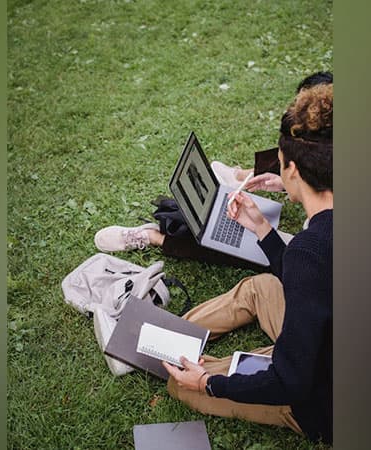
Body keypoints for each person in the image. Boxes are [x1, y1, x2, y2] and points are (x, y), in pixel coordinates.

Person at [162, 83, 333, 444]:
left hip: (324, 400)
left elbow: (292, 381)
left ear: (291, 171)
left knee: (182, 388)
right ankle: (165, 337)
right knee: (261, 287)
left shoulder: (311, 250)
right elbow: (314, 282)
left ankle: (177, 361)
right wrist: (260, 228)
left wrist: (208, 383)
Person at [94, 71, 332, 273]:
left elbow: (290, 274)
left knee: (241, 252)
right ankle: (241, 177)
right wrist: (276, 196)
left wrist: (264, 232)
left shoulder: (309, 249)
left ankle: (156, 237)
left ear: (294, 171)